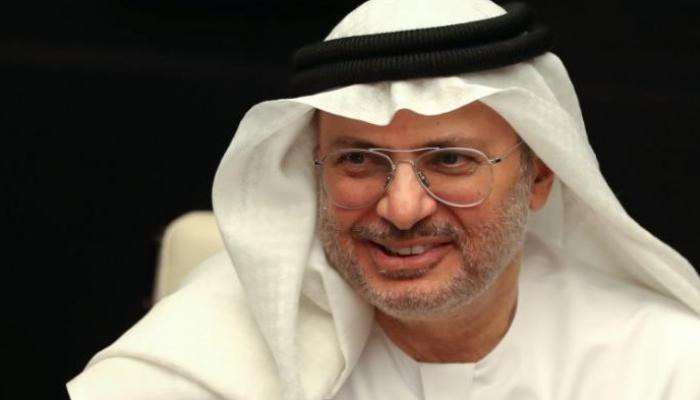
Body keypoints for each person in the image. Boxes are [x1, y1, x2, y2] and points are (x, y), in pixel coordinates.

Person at [67, 0, 700, 399]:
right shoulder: (207, 355)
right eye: (358, 161)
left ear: (538, 178)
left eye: (450, 161)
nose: (401, 209)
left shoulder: (665, 366)